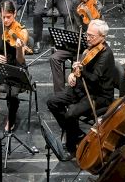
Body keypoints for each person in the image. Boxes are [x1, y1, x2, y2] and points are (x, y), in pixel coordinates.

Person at [47, 18, 118, 157]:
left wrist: (81, 70)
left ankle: (72, 147)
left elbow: (94, 78)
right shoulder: (91, 47)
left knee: (71, 114)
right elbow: (82, 66)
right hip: (84, 89)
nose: (87, 38)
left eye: (92, 36)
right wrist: (73, 74)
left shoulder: (106, 55)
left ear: (103, 37)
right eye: (87, 34)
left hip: (99, 95)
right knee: (52, 102)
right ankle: (76, 133)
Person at [48, 0, 103, 93]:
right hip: (74, 41)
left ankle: (76, 92)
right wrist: (70, 34)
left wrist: (88, 14)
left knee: (78, 64)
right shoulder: (75, 1)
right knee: (54, 58)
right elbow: (71, 20)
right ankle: (59, 93)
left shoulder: (98, 6)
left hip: (88, 46)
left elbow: (98, 29)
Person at [0, 0, 31, 132]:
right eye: (3, 17)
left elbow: (21, 60)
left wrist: (19, 49)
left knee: (12, 93)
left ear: (15, 14)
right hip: (1, 67)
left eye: (8, 17)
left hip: (16, 68)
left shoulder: (22, 32)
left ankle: (11, 118)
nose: (5, 20)